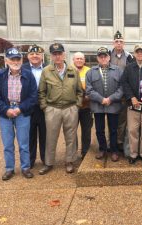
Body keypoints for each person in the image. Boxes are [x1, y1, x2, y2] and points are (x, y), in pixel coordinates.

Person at [0, 47, 37, 180]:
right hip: (5, 113)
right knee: (7, 144)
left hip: (22, 112)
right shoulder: (0, 75)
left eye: (17, 59)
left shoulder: (28, 75)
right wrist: (6, 110)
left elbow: (33, 96)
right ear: (6, 60)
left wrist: (20, 108)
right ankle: (9, 168)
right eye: (12, 59)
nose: (15, 61)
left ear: (21, 60)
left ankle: (25, 168)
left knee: (24, 143)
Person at [38, 43, 83, 174]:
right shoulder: (46, 71)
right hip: (52, 109)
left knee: (71, 137)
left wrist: (77, 105)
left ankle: (69, 161)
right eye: (54, 54)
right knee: (51, 137)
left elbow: (79, 91)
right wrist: (45, 107)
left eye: (59, 53)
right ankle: (49, 163)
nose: (57, 56)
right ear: (51, 56)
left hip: (70, 108)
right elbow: (41, 92)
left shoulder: (72, 70)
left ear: (64, 54)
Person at [86, 47, 123, 162]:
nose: (103, 58)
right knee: (99, 129)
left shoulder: (118, 71)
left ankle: (114, 150)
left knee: (113, 129)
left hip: (113, 104)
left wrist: (110, 99)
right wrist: (101, 99)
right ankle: (102, 149)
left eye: (105, 56)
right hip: (98, 105)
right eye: (100, 56)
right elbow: (89, 89)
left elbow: (121, 88)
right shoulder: (91, 72)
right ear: (97, 58)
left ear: (109, 57)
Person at [121, 44, 142, 164]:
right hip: (133, 105)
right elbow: (124, 83)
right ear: (134, 54)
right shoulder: (129, 67)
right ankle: (133, 154)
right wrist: (131, 97)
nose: (140, 54)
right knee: (132, 130)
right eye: (137, 52)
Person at [22, 44, 46, 168]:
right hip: (28, 108)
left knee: (44, 135)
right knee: (30, 136)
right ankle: (30, 161)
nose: (35, 56)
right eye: (32, 54)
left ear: (42, 56)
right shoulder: (22, 68)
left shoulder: (48, 68)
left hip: (44, 108)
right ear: (28, 56)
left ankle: (45, 159)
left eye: (37, 54)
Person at [110, 31, 134, 152]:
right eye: (116, 41)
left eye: (121, 42)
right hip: (110, 92)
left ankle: (119, 143)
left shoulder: (129, 56)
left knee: (122, 120)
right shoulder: (108, 54)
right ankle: (110, 143)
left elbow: (131, 74)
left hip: (124, 94)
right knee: (109, 119)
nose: (119, 43)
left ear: (124, 43)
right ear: (113, 43)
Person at [72, 52, 93, 160]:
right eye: (77, 58)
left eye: (81, 58)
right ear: (73, 60)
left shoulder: (89, 71)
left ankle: (85, 152)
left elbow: (93, 86)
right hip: (72, 106)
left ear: (84, 60)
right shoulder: (69, 70)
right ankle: (73, 153)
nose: (79, 60)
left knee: (86, 131)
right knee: (71, 131)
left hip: (86, 106)